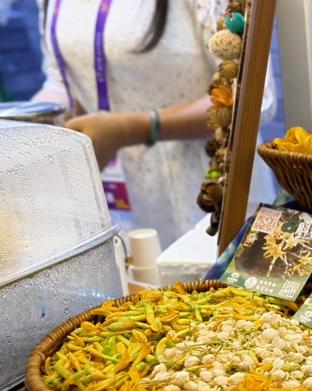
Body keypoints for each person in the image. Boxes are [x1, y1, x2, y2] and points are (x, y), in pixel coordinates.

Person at [32, 0, 276, 246]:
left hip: (214, 181)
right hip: (126, 193)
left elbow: (254, 95)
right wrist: (26, 123)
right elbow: (62, 79)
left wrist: (132, 129)